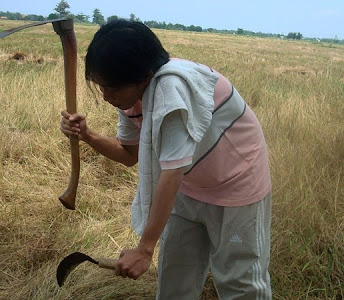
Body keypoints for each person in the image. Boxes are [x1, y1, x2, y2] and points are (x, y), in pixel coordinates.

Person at [60, 20, 272, 300]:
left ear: (144, 75)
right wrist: (87, 135)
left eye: (112, 87)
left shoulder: (172, 89)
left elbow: (171, 172)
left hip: (235, 185)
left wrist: (145, 249)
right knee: (175, 277)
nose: (106, 96)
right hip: (188, 184)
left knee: (239, 281)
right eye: (101, 86)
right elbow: (129, 155)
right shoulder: (131, 96)